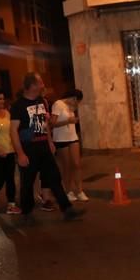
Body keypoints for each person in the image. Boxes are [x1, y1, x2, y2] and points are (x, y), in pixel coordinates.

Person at [10, 72, 83, 224]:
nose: (43, 85)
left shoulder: (42, 101)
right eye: (40, 82)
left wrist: (50, 141)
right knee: (27, 182)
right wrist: (21, 153)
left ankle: (67, 209)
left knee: (55, 178)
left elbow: (45, 125)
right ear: (32, 86)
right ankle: (27, 213)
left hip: (43, 146)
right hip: (28, 149)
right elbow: (13, 131)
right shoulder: (18, 106)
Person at [51, 89, 89, 202]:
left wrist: (72, 119)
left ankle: (80, 191)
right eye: (77, 101)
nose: (77, 104)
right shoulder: (58, 104)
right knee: (66, 166)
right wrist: (68, 121)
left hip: (73, 137)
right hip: (61, 139)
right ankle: (68, 191)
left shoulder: (71, 107)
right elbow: (52, 123)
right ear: (73, 98)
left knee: (76, 164)